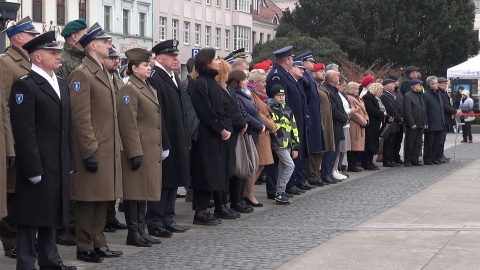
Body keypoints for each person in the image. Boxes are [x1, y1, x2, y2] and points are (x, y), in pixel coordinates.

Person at [9, 30, 77, 270]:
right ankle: (26, 264)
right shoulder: (25, 86)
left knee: (52, 213)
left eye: (58, 52)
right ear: (37, 57)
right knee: (30, 218)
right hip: (37, 163)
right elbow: (24, 131)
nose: (58, 56)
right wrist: (32, 167)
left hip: (57, 162)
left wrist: (70, 160)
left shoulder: (60, 84)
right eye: (53, 52)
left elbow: (67, 126)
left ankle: (51, 260)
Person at [67, 22, 123, 263]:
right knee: (88, 200)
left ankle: (99, 242)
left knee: (103, 197)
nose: (108, 45)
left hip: (107, 147)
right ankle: (84, 245)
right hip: (93, 147)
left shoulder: (102, 71)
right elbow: (81, 117)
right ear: (92, 45)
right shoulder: (82, 73)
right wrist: (89, 149)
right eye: (104, 41)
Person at [0, 16, 40, 259]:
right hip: (14, 138)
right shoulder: (6, 63)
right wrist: (8, 142)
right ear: (17, 38)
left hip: (29, 138)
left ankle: (25, 239)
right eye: (31, 35)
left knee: (24, 192)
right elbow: (3, 105)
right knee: (10, 192)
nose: (35, 38)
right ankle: (10, 240)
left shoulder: (29, 62)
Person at [117, 48, 163, 247]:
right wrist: (134, 151)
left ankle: (142, 230)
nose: (149, 68)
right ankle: (133, 232)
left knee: (143, 191)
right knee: (134, 192)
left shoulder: (147, 87)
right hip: (138, 147)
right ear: (134, 68)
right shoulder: (129, 89)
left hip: (150, 147)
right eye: (145, 65)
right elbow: (128, 124)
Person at [146, 39, 191, 237]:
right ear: (159, 57)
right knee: (163, 180)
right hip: (165, 136)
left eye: (176, 55)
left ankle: (168, 217)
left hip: (177, 135)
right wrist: (164, 140)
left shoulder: (172, 76)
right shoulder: (156, 78)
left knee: (174, 178)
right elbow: (158, 112)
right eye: (171, 56)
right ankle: (155, 220)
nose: (175, 59)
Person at [190, 48, 232, 225]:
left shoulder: (212, 82)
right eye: (216, 59)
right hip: (206, 136)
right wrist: (221, 129)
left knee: (213, 174)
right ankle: (200, 212)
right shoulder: (200, 83)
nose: (219, 62)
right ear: (207, 62)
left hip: (216, 135)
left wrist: (225, 127)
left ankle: (207, 210)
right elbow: (205, 111)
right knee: (204, 174)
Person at [265, 45, 305, 197]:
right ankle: (274, 188)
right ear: (287, 60)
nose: (293, 60)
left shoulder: (284, 73)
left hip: (287, 122)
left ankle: (285, 185)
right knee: (278, 160)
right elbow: (281, 99)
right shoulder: (277, 74)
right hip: (281, 123)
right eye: (291, 58)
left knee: (284, 160)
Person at [231, 70, 266, 207]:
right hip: (245, 133)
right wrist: (259, 125)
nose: (247, 81)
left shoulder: (245, 94)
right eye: (244, 79)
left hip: (251, 133)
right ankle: (238, 199)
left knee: (249, 165)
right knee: (243, 166)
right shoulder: (238, 95)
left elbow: (254, 112)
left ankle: (241, 197)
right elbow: (244, 114)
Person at [103, 46, 128, 233]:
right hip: (105, 135)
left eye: (117, 59)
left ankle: (110, 217)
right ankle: (104, 218)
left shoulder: (118, 81)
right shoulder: (103, 80)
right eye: (112, 58)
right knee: (104, 181)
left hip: (118, 134)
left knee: (114, 180)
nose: (116, 61)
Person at [297, 51, 325, 189]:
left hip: (313, 116)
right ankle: (306, 177)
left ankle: (308, 176)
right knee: (308, 149)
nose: (313, 64)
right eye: (311, 62)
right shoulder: (304, 78)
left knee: (314, 148)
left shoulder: (308, 77)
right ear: (304, 63)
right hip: (309, 117)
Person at [247, 69, 276, 194]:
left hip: (264, 132)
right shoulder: (251, 94)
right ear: (255, 82)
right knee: (257, 164)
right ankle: (248, 193)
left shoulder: (259, 94)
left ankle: (248, 192)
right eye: (262, 82)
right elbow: (256, 113)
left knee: (261, 165)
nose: (265, 85)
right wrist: (270, 124)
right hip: (259, 131)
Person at [269, 84, 299, 204]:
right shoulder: (270, 109)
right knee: (290, 166)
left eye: (283, 95)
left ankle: (279, 192)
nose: (281, 98)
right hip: (278, 143)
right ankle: (280, 191)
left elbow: (294, 128)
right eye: (278, 95)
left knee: (283, 167)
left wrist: (295, 146)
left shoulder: (288, 109)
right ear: (273, 96)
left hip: (287, 143)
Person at [321, 70, 349, 183]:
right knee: (330, 151)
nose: (339, 77)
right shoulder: (328, 90)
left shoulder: (334, 90)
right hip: (333, 124)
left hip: (338, 125)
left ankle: (329, 172)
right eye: (337, 76)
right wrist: (344, 118)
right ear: (332, 78)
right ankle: (325, 174)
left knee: (335, 151)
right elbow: (333, 109)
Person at [311, 63, 335, 186]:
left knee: (322, 149)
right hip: (319, 121)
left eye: (324, 71)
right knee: (316, 150)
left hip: (325, 120)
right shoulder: (313, 85)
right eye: (320, 71)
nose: (323, 73)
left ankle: (317, 174)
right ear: (313, 73)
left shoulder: (320, 86)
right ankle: (313, 175)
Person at [380, 78, 403, 167]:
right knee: (388, 142)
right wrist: (399, 118)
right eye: (393, 84)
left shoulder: (392, 94)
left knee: (393, 142)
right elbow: (391, 109)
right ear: (388, 85)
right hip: (391, 121)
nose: (395, 86)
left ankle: (391, 159)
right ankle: (387, 160)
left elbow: (398, 106)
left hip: (395, 122)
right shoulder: (385, 95)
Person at [403, 79, 426, 167]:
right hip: (413, 124)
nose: (421, 87)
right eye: (419, 85)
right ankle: (408, 160)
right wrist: (411, 123)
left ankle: (415, 159)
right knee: (410, 142)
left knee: (418, 143)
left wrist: (424, 121)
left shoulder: (419, 95)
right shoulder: (408, 96)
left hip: (420, 123)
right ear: (414, 86)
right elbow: (407, 111)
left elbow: (422, 109)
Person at [346, 82, 368, 172]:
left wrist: (366, 119)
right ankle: (352, 165)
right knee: (353, 146)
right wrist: (363, 122)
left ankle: (354, 164)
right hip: (355, 124)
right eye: (355, 89)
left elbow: (365, 111)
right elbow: (354, 114)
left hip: (361, 124)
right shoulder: (349, 98)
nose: (357, 90)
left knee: (358, 146)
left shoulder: (359, 99)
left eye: (357, 89)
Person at [362, 83, 385, 170]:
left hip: (375, 124)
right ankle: (367, 163)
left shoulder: (374, 98)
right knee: (369, 144)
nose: (381, 93)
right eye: (379, 91)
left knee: (373, 143)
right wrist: (382, 114)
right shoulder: (368, 97)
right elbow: (371, 109)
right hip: (370, 124)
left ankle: (370, 161)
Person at [422, 76, 445, 165]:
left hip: (439, 122)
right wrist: (425, 121)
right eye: (436, 83)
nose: (438, 84)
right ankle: (427, 158)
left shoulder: (438, 94)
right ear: (430, 85)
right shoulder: (426, 95)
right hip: (431, 122)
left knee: (436, 142)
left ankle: (433, 157)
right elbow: (425, 110)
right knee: (429, 142)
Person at [437, 77, 459, 162]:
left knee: (443, 138)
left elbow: (449, 104)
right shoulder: (439, 93)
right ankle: (439, 155)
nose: (444, 85)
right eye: (442, 84)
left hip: (446, 118)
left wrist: (452, 112)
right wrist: (454, 111)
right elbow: (444, 106)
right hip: (442, 118)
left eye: (445, 84)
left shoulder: (445, 93)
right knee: (440, 139)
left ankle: (441, 154)